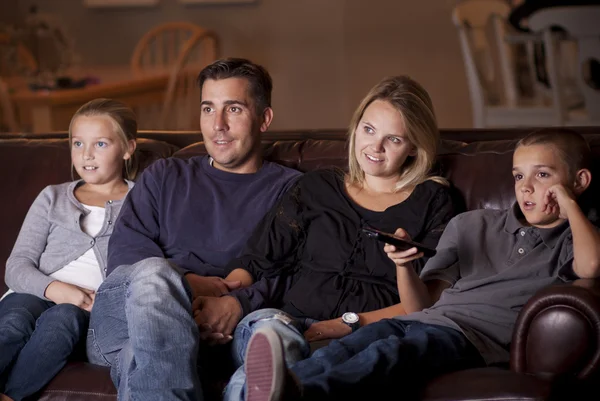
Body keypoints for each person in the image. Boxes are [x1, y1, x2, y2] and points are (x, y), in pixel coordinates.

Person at [242, 128, 600, 401]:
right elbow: (421, 305)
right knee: (349, 347)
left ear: (579, 181)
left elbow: (591, 267)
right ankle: (280, 387)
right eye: (519, 176)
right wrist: (404, 266)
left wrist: (568, 206)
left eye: (542, 175)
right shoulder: (472, 224)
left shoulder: (575, 240)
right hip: (422, 319)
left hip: (470, 339)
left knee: (390, 354)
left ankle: (300, 393)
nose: (526, 188)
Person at [193, 75, 458, 401]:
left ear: (414, 146)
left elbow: (430, 302)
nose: (375, 147)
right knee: (270, 336)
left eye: (394, 139)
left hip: (369, 335)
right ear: (356, 128)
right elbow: (259, 258)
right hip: (289, 323)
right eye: (369, 130)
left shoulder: (433, 200)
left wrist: (347, 324)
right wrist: (222, 295)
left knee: (287, 370)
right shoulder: (317, 187)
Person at [84, 58, 301, 401]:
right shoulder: (164, 176)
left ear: (264, 118)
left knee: (276, 331)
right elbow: (126, 255)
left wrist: (238, 304)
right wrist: (182, 286)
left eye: (233, 109)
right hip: (130, 315)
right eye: (207, 108)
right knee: (154, 274)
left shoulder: (293, 191)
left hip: (231, 326)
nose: (218, 125)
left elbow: (300, 270)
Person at [0, 98, 138, 401]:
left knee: (64, 320)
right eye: (78, 143)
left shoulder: (141, 201)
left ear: (128, 148)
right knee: (13, 322)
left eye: (100, 144)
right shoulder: (52, 197)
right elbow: (17, 266)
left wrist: (79, 300)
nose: (86, 154)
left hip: (86, 310)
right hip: (34, 292)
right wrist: (56, 288)